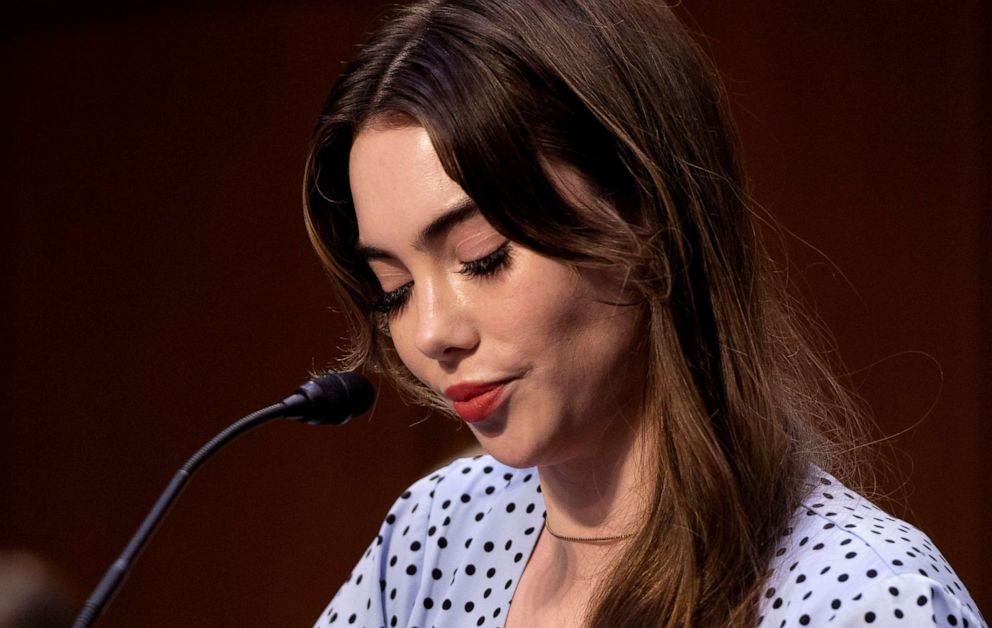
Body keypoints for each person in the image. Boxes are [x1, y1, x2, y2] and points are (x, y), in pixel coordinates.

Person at [302, 1, 986, 626]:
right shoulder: (432, 533)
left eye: (482, 257)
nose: (430, 334)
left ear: (646, 215)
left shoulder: (867, 598)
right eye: (393, 288)